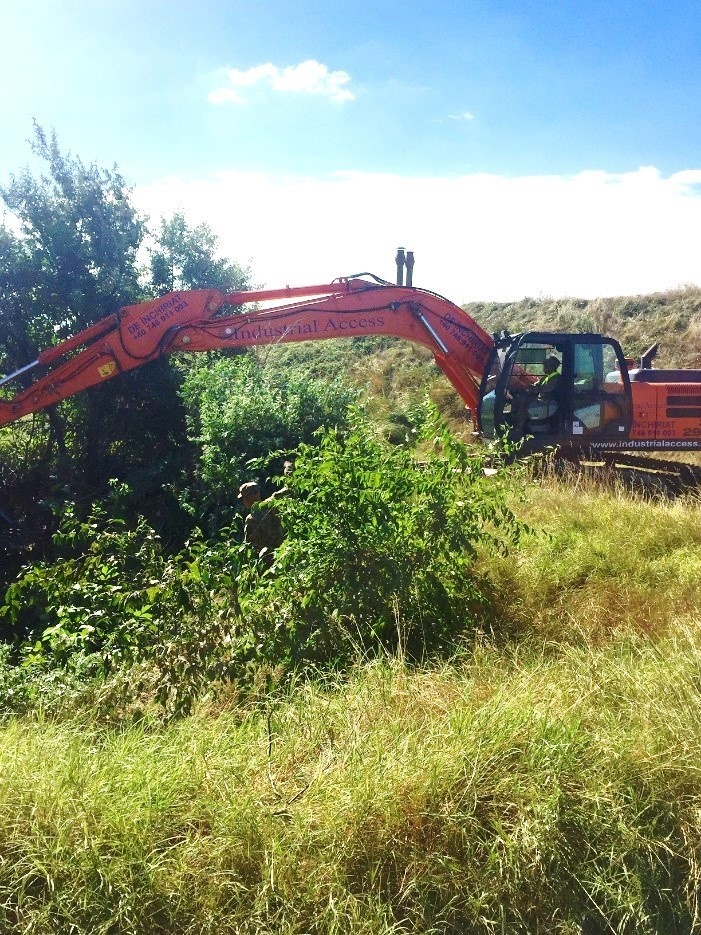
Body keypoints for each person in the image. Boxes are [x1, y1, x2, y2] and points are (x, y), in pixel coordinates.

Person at [510, 355, 561, 435]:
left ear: (551, 367)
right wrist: (525, 387)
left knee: (522, 401)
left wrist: (531, 389)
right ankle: (514, 422)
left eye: (545, 366)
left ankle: (519, 428)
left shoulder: (556, 378)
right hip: (542, 401)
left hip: (548, 402)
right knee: (517, 399)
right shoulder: (546, 377)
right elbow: (536, 385)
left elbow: (544, 388)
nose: (544, 368)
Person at [238, 481, 284, 561]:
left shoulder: (251, 519)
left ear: (248, 498)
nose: (243, 501)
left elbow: (250, 547)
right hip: (282, 553)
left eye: (243, 498)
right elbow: (280, 494)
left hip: (266, 560)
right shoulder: (273, 506)